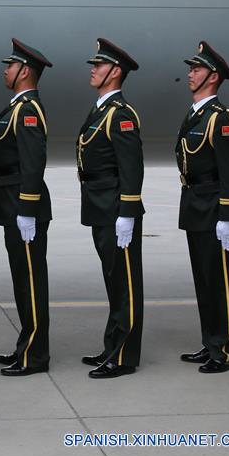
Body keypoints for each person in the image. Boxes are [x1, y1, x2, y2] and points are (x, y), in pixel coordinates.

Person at [75, 38, 144, 378]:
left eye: (98, 66)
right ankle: (111, 346)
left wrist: (127, 214)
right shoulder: (101, 109)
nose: (93, 69)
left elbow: (132, 168)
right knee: (113, 281)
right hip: (101, 207)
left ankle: (124, 355)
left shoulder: (121, 115)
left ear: (115, 72)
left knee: (126, 283)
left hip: (116, 209)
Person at [176, 41, 229, 374]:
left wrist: (228, 217)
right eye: (190, 69)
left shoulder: (221, 118)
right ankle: (211, 342)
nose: (190, 74)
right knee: (204, 281)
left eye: (197, 69)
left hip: (216, 210)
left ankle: (227, 351)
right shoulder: (196, 115)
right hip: (194, 207)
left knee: (223, 282)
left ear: (213, 77)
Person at [0, 38, 52, 377]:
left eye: (10, 66)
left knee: (30, 281)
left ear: (24, 71)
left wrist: (27, 208)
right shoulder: (17, 106)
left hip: (22, 206)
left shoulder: (27, 110)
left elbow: (32, 163)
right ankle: (26, 346)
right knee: (22, 280)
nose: (5, 71)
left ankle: (35, 355)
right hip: (12, 202)